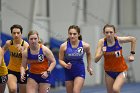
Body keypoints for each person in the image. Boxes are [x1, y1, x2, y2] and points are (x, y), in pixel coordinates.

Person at [94, 24, 136, 93]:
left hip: (122, 70)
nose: (109, 34)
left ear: (114, 32)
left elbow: (133, 39)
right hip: (109, 72)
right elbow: (95, 60)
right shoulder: (101, 42)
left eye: (111, 32)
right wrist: (102, 52)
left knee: (116, 89)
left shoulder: (118, 40)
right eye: (107, 32)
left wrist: (132, 54)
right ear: (103, 33)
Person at [59, 25, 93, 93]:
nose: (72, 36)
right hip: (68, 72)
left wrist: (89, 66)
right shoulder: (63, 46)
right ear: (68, 34)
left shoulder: (85, 45)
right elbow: (60, 60)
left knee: (76, 91)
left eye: (74, 34)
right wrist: (65, 65)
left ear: (78, 34)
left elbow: (89, 54)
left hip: (79, 71)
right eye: (70, 34)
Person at [2, 24, 29, 93]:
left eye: (18, 33)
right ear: (11, 34)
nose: (16, 35)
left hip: (23, 71)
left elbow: (29, 60)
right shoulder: (9, 43)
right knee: (12, 89)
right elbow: (2, 51)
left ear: (21, 34)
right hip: (11, 70)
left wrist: (23, 53)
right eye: (14, 33)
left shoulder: (25, 45)